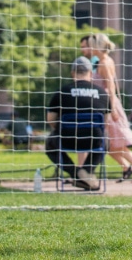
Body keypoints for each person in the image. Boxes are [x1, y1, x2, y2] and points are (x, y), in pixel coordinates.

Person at [80, 33, 132, 182]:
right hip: (103, 104)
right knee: (108, 143)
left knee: (115, 141)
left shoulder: (104, 62)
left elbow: (110, 86)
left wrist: (111, 109)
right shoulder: (101, 61)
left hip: (107, 105)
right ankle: (126, 167)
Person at [45, 56, 109, 190]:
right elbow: (105, 122)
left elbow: (50, 119)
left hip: (67, 139)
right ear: (91, 73)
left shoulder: (62, 92)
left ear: (73, 72)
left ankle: (76, 173)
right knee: (106, 139)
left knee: (50, 143)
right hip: (94, 140)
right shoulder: (102, 93)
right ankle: (86, 171)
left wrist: (61, 129)